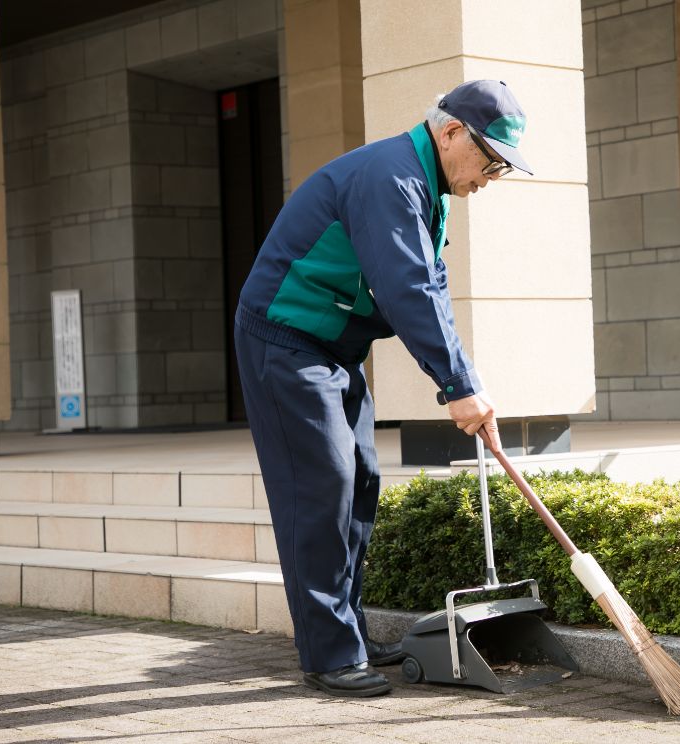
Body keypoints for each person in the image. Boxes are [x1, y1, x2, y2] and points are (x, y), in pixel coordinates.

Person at [233, 80, 533, 697]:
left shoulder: (428, 187)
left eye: (503, 167)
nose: (492, 176)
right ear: (452, 133)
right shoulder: (390, 178)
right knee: (322, 487)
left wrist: (468, 383)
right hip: (285, 341)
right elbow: (406, 291)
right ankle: (329, 655)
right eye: (492, 161)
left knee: (360, 481)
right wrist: (454, 387)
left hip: (335, 349)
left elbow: (434, 291)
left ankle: (347, 632)